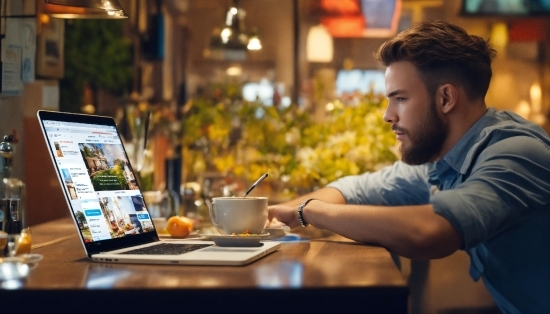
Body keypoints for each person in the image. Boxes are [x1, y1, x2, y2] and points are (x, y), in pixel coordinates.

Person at [268, 20, 550, 313]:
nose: (388, 116)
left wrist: (310, 211)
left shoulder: (517, 154)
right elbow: (355, 189)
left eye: (400, 99)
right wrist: (273, 214)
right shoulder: (447, 157)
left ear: (446, 98)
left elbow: (431, 233)